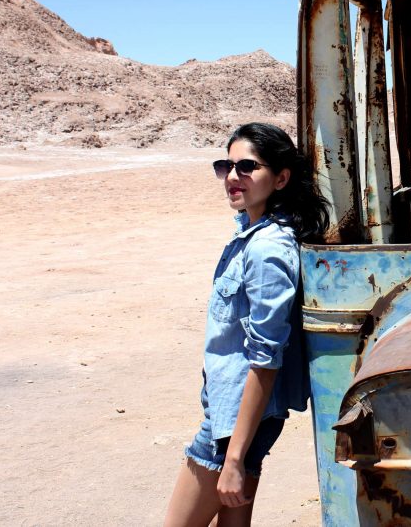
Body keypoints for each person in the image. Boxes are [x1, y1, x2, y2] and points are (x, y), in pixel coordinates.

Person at [164, 123, 328, 527]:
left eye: (247, 167)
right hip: (241, 418)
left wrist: (233, 457)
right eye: (227, 166)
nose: (233, 177)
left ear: (281, 178)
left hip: (235, 424)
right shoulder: (252, 232)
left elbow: (265, 359)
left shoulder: (267, 250)